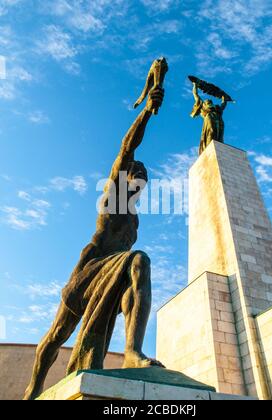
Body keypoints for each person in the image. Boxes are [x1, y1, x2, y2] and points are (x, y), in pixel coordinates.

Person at [24, 86, 165, 401]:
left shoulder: (134, 221)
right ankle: (33, 387)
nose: (140, 175)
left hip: (112, 275)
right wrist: (147, 112)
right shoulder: (113, 197)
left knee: (137, 264)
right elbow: (127, 147)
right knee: (57, 335)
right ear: (126, 176)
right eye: (136, 171)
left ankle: (132, 350)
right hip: (86, 275)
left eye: (145, 175)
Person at [191, 82, 228, 155]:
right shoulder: (203, 106)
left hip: (218, 118)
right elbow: (196, 95)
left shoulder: (216, 108)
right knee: (210, 131)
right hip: (209, 117)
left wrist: (224, 99)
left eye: (210, 101)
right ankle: (209, 147)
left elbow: (223, 106)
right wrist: (195, 85)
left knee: (219, 134)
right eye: (207, 101)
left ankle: (218, 147)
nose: (208, 101)